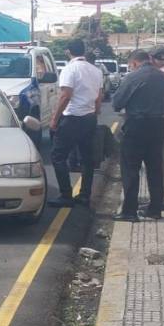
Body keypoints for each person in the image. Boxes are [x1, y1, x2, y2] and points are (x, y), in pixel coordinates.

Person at [112, 50, 164, 221]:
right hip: (158, 124)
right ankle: (155, 209)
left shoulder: (133, 77)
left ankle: (129, 211)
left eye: (130, 66)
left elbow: (117, 102)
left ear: (134, 63)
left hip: (137, 125)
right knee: (155, 168)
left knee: (131, 168)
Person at [48, 39, 103, 208]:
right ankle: (85, 195)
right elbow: (99, 97)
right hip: (89, 117)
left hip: (72, 117)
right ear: (84, 51)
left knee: (58, 156)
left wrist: (54, 119)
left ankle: (66, 194)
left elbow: (65, 96)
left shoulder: (69, 69)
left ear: (68, 52)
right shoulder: (96, 70)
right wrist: (95, 113)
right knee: (87, 158)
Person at [149, 46, 164, 210]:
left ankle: (160, 197)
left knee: (161, 160)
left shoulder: (162, 75)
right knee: (159, 159)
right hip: (163, 118)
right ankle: (159, 196)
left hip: (161, 118)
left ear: (153, 59)